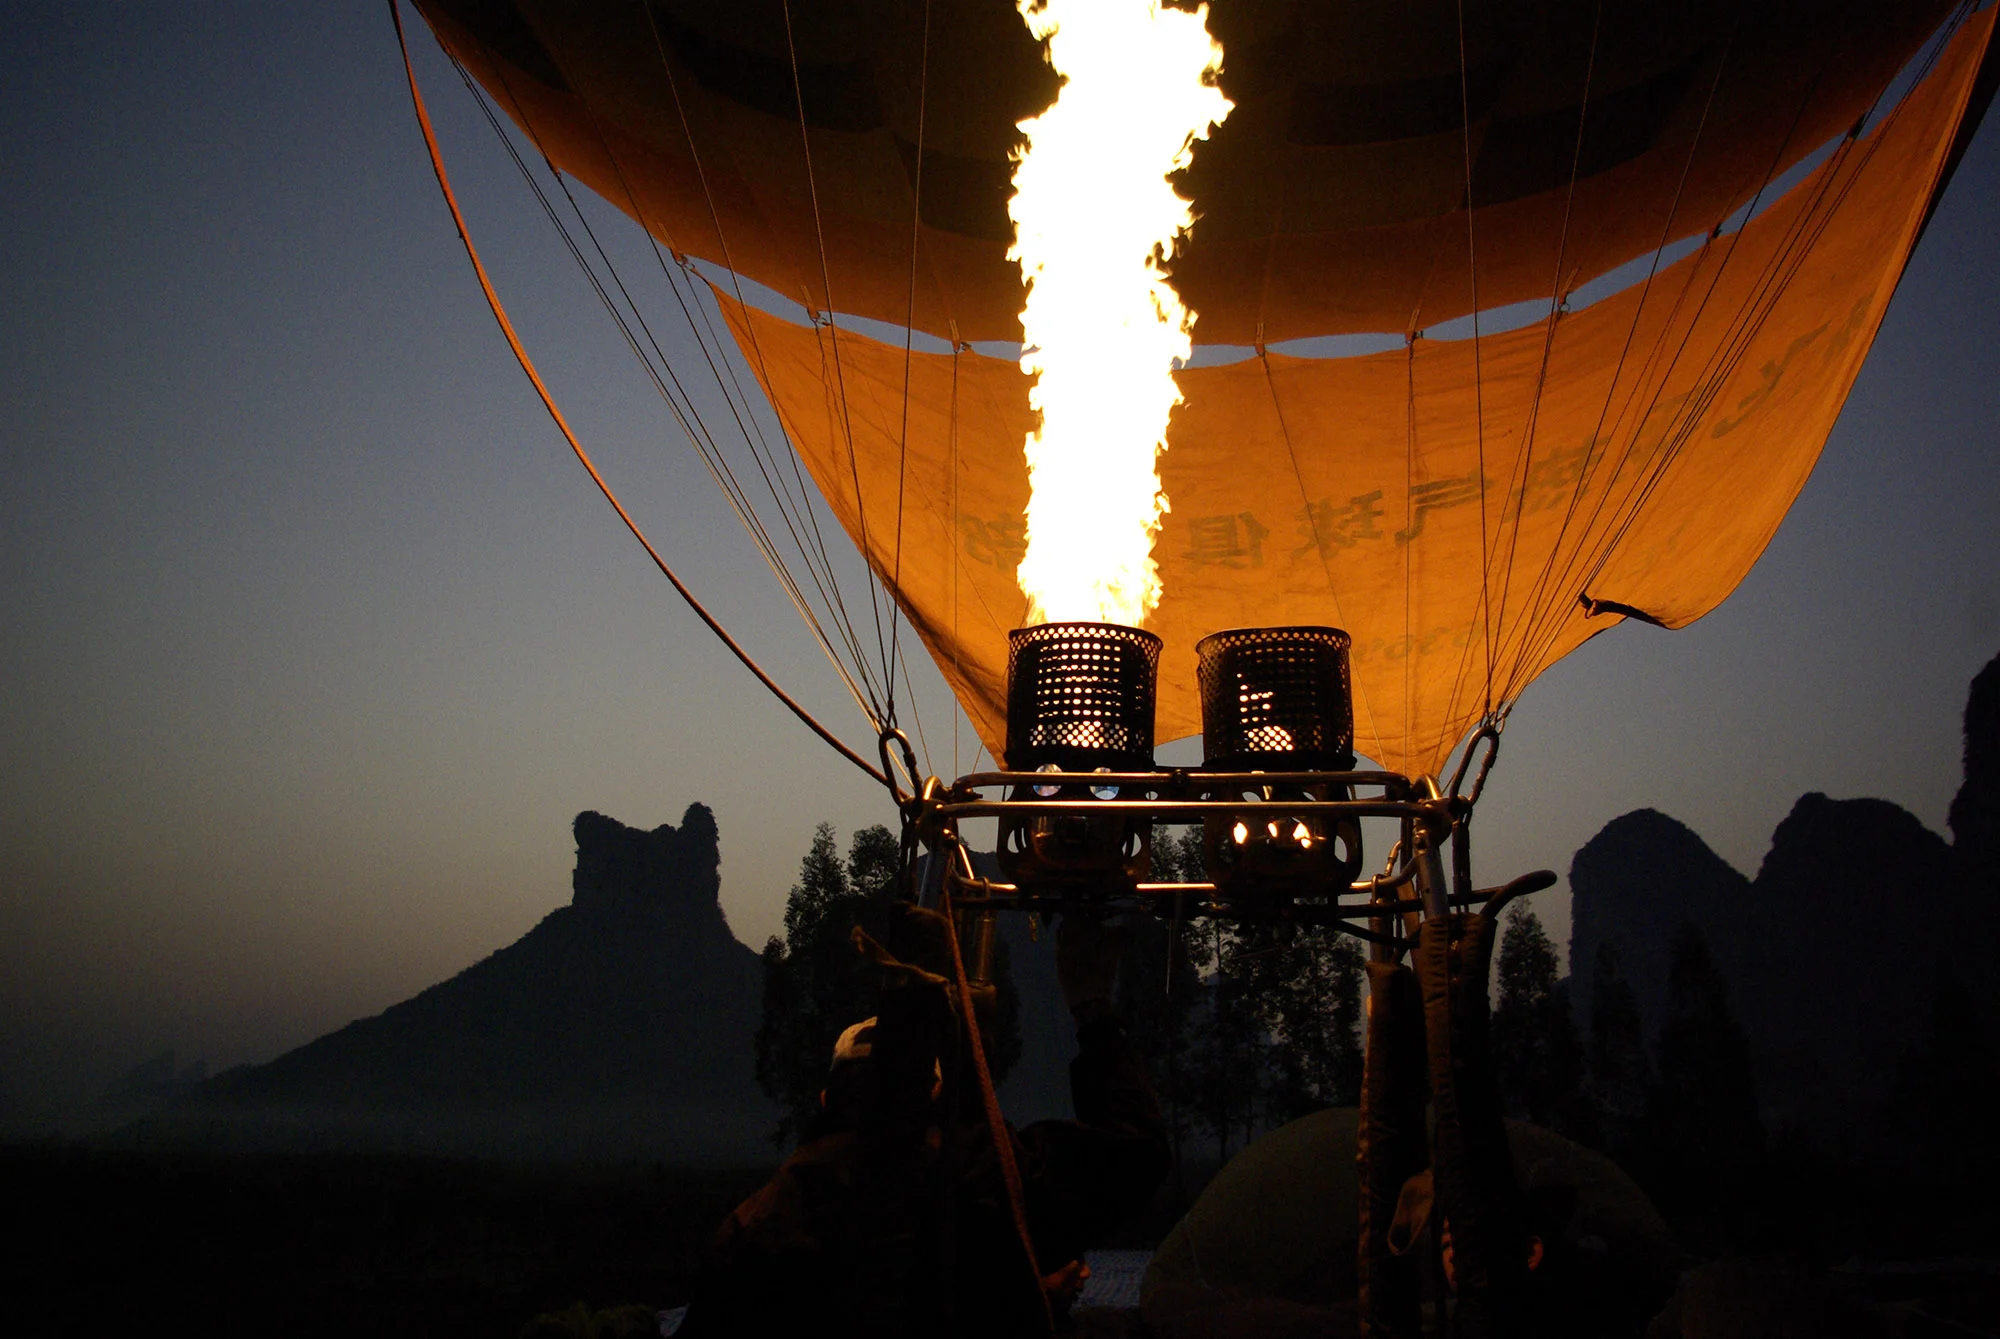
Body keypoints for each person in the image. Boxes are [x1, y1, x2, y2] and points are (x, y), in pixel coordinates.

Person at [678, 903, 1170, 1338]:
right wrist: (1091, 1005)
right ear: (938, 1089)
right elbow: (1135, 1153)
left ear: (827, 1098)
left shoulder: (758, 1222)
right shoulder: (982, 1177)